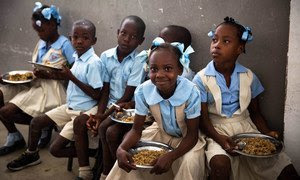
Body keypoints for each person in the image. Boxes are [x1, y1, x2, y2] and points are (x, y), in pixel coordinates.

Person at [193, 17, 299, 180]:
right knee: (220, 164)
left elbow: (256, 112)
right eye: (214, 40)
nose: (217, 45)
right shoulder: (201, 79)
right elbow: (203, 119)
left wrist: (267, 133)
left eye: (226, 41)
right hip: (215, 130)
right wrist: (220, 139)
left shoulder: (249, 77)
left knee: (282, 165)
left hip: (246, 128)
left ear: (239, 48)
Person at [6, 19, 104, 176]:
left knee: (55, 150)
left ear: (94, 41)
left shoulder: (93, 63)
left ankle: (91, 155)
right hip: (70, 106)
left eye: (85, 37)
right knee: (36, 122)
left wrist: (71, 78)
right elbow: (70, 78)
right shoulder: (77, 56)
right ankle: (32, 154)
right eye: (75, 37)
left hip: (83, 110)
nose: (79, 41)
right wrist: (50, 74)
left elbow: (97, 94)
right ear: (70, 38)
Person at [106, 39, 206, 180]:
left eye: (167, 68)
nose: (159, 75)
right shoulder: (143, 91)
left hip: (187, 140)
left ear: (180, 70)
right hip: (160, 133)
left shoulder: (191, 92)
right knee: (129, 154)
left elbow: (192, 136)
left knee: (189, 164)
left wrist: (171, 156)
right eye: (154, 69)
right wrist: (120, 149)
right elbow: (136, 130)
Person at [0, 2, 75, 155]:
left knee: (6, 111)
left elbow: (75, 73)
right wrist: (10, 78)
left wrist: (51, 75)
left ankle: (43, 124)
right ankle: (15, 136)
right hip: (34, 82)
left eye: (41, 30)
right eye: (37, 31)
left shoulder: (65, 45)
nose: (39, 34)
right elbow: (38, 67)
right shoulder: (41, 42)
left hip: (51, 88)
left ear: (53, 24)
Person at [82, 15, 146, 180]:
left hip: (128, 107)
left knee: (106, 129)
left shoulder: (139, 60)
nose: (126, 39)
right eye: (123, 33)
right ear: (117, 33)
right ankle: (104, 169)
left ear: (141, 40)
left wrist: (103, 116)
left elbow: (128, 95)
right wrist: (100, 113)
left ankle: (107, 172)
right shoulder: (106, 56)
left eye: (133, 37)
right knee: (99, 125)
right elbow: (105, 90)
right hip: (110, 105)